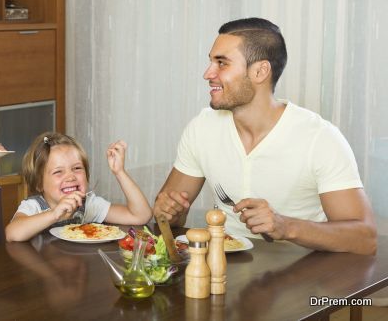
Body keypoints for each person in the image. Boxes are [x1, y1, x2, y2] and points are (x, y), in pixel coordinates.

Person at [153, 18, 377, 255]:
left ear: (260, 71)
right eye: (211, 61)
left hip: (301, 279)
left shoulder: (320, 138)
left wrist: (285, 226)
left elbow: (365, 239)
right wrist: (170, 213)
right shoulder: (202, 128)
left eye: (222, 63)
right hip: (222, 271)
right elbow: (166, 218)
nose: (207, 73)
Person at [5, 132, 152, 242]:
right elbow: (12, 233)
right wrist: (54, 214)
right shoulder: (34, 207)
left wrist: (119, 172)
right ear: (39, 183)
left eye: (77, 168)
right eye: (58, 172)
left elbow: (140, 215)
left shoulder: (89, 205)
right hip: (46, 275)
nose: (70, 177)